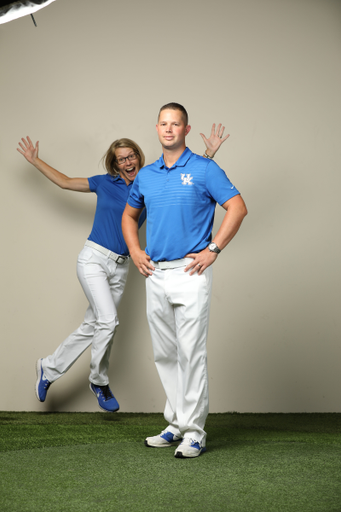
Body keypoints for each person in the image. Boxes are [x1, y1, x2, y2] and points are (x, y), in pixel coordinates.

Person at [16, 127, 225, 412]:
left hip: (122, 266)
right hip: (94, 259)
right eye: (120, 160)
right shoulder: (104, 183)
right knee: (108, 322)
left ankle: (48, 368)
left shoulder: (152, 182)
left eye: (131, 157)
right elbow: (65, 182)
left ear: (139, 157)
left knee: (95, 325)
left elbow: (185, 180)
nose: (127, 163)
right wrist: (35, 160)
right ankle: (99, 381)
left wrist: (209, 154)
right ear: (114, 165)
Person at [122, 103, 247, 457]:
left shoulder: (205, 169)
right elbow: (129, 218)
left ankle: (194, 432)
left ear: (186, 130)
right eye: (163, 123)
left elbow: (237, 207)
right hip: (155, 274)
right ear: (157, 128)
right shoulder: (146, 175)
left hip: (191, 273)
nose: (168, 129)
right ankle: (176, 423)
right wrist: (135, 251)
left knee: (191, 354)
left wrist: (214, 249)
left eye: (175, 124)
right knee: (165, 354)